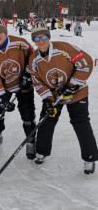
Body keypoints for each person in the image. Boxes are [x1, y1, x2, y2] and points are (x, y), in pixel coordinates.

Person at [29, 19, 98, 174]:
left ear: (48, 36)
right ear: (33, 40)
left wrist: (72, 85)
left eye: (43, 37)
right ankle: (41, 151)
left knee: (80, 122)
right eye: (36, 38)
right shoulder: (33, 59)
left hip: (77, 91)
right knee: (46, 120)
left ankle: (90, 158)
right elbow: (37, 82)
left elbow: (85, 63)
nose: (41, 41)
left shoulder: (64, 48)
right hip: (55, 95)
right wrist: (47, 99)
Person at [0, 17, 36, 157]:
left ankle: (31, 141)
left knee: (27, 114)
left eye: (1, 32)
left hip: (23, 85)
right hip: (4, 87)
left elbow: (33, 58)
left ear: (5, 32)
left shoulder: (20, 43)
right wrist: (0, 96)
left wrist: (28, 74)